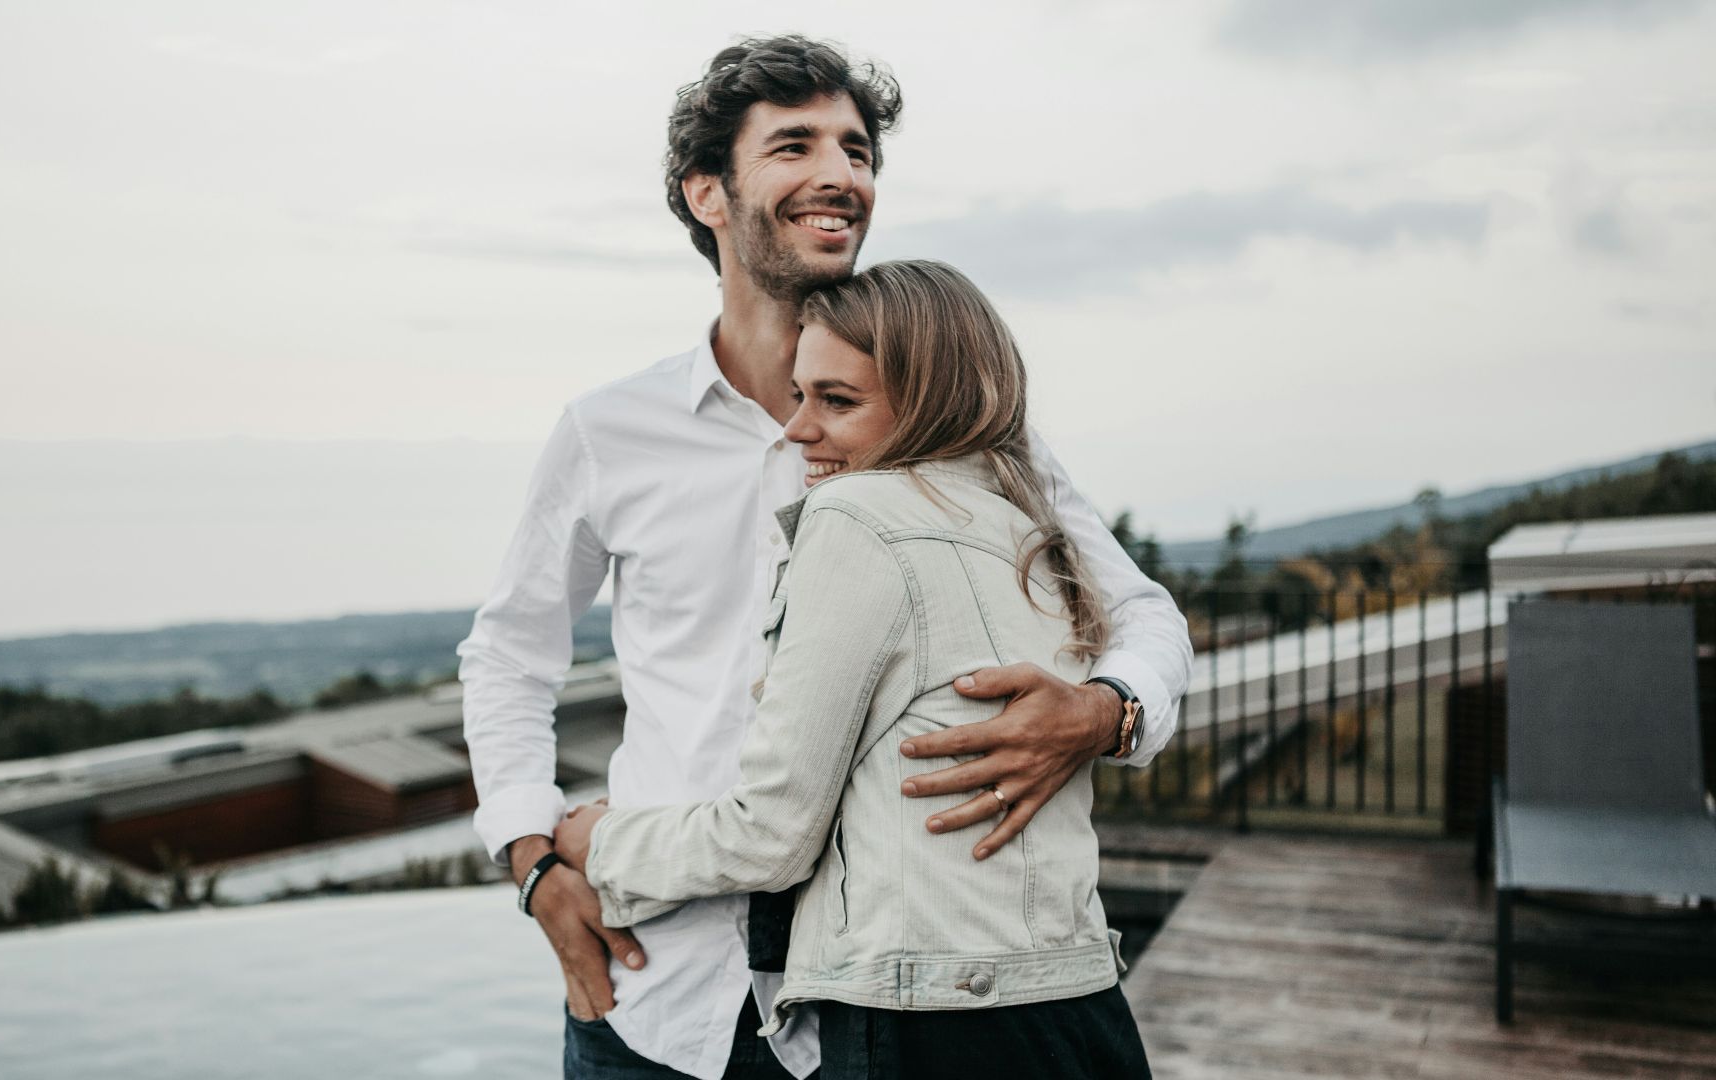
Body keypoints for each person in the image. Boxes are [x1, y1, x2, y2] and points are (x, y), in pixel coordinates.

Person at [457, 35, 1191, 1080]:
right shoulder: (608, 430)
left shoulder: (966, 432)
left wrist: (1104, 711)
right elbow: (509, 656)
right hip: (651, 990)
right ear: (706, 192)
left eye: (857, 150)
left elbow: (1143, 614)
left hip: (866, 1016)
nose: (841, 173)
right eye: (795, 145)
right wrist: (534, 862)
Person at [552, 259, 1155, 1080]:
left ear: (932, 399)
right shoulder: (1028, 525)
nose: (798, 429)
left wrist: (599, 843)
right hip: (1079, 1000)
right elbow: (1147, 617)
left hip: (934, 1024)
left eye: (837, 401)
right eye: (800, 395)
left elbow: (772, 835)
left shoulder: (854, 516)